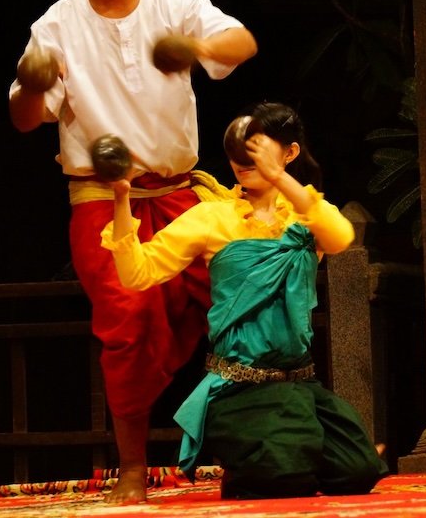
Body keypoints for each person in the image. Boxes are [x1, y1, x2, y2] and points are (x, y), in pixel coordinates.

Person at [7, 0, 258, 503]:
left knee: (242, 291)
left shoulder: (175, 2)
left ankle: (255, 445)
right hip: (102, 200)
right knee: (125, 323)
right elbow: (22, 117)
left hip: (180, 194)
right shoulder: (58, 23)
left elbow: (243, 43)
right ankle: (131, 468)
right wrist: (33, 85)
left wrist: (194, 47)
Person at [101, 101, 389, 499]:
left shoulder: (303, 213)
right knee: (285, 478)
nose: (244, 161)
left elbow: (339, 237)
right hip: (238, 387)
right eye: (239, 152)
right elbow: (137, 272)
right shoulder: (212, 218)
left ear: (289, 153)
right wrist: (120, 198)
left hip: (298, 384)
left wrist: (281, 180)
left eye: (258, 149)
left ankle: (296, 454)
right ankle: (267, 460)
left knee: (358, 473)